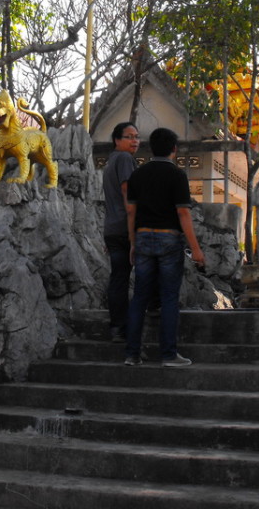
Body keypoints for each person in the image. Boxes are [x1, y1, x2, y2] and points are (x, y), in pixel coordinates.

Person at [124, 127, 205, 368]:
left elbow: (131, 211)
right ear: (174, 149)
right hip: (169, 239)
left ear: (151, 148)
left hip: (143, 238)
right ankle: (168, 355)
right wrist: (196, 249)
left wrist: (132, 243)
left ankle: (132, 354)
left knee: (139, 297)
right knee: (169, 298)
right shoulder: (177, 175)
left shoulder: (138, 175)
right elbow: (183, 212)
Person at [102, 121, 139, 342]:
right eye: (129, 136)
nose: (135, 140)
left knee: (118, 278)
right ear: (117, 140)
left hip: (111, 228)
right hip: (126, 227)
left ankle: (117, 327)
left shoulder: (111, 161)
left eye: (137, 136)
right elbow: (127, 194)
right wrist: (133, 232)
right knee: (136, 276)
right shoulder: (124, 159)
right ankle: (131, 325)